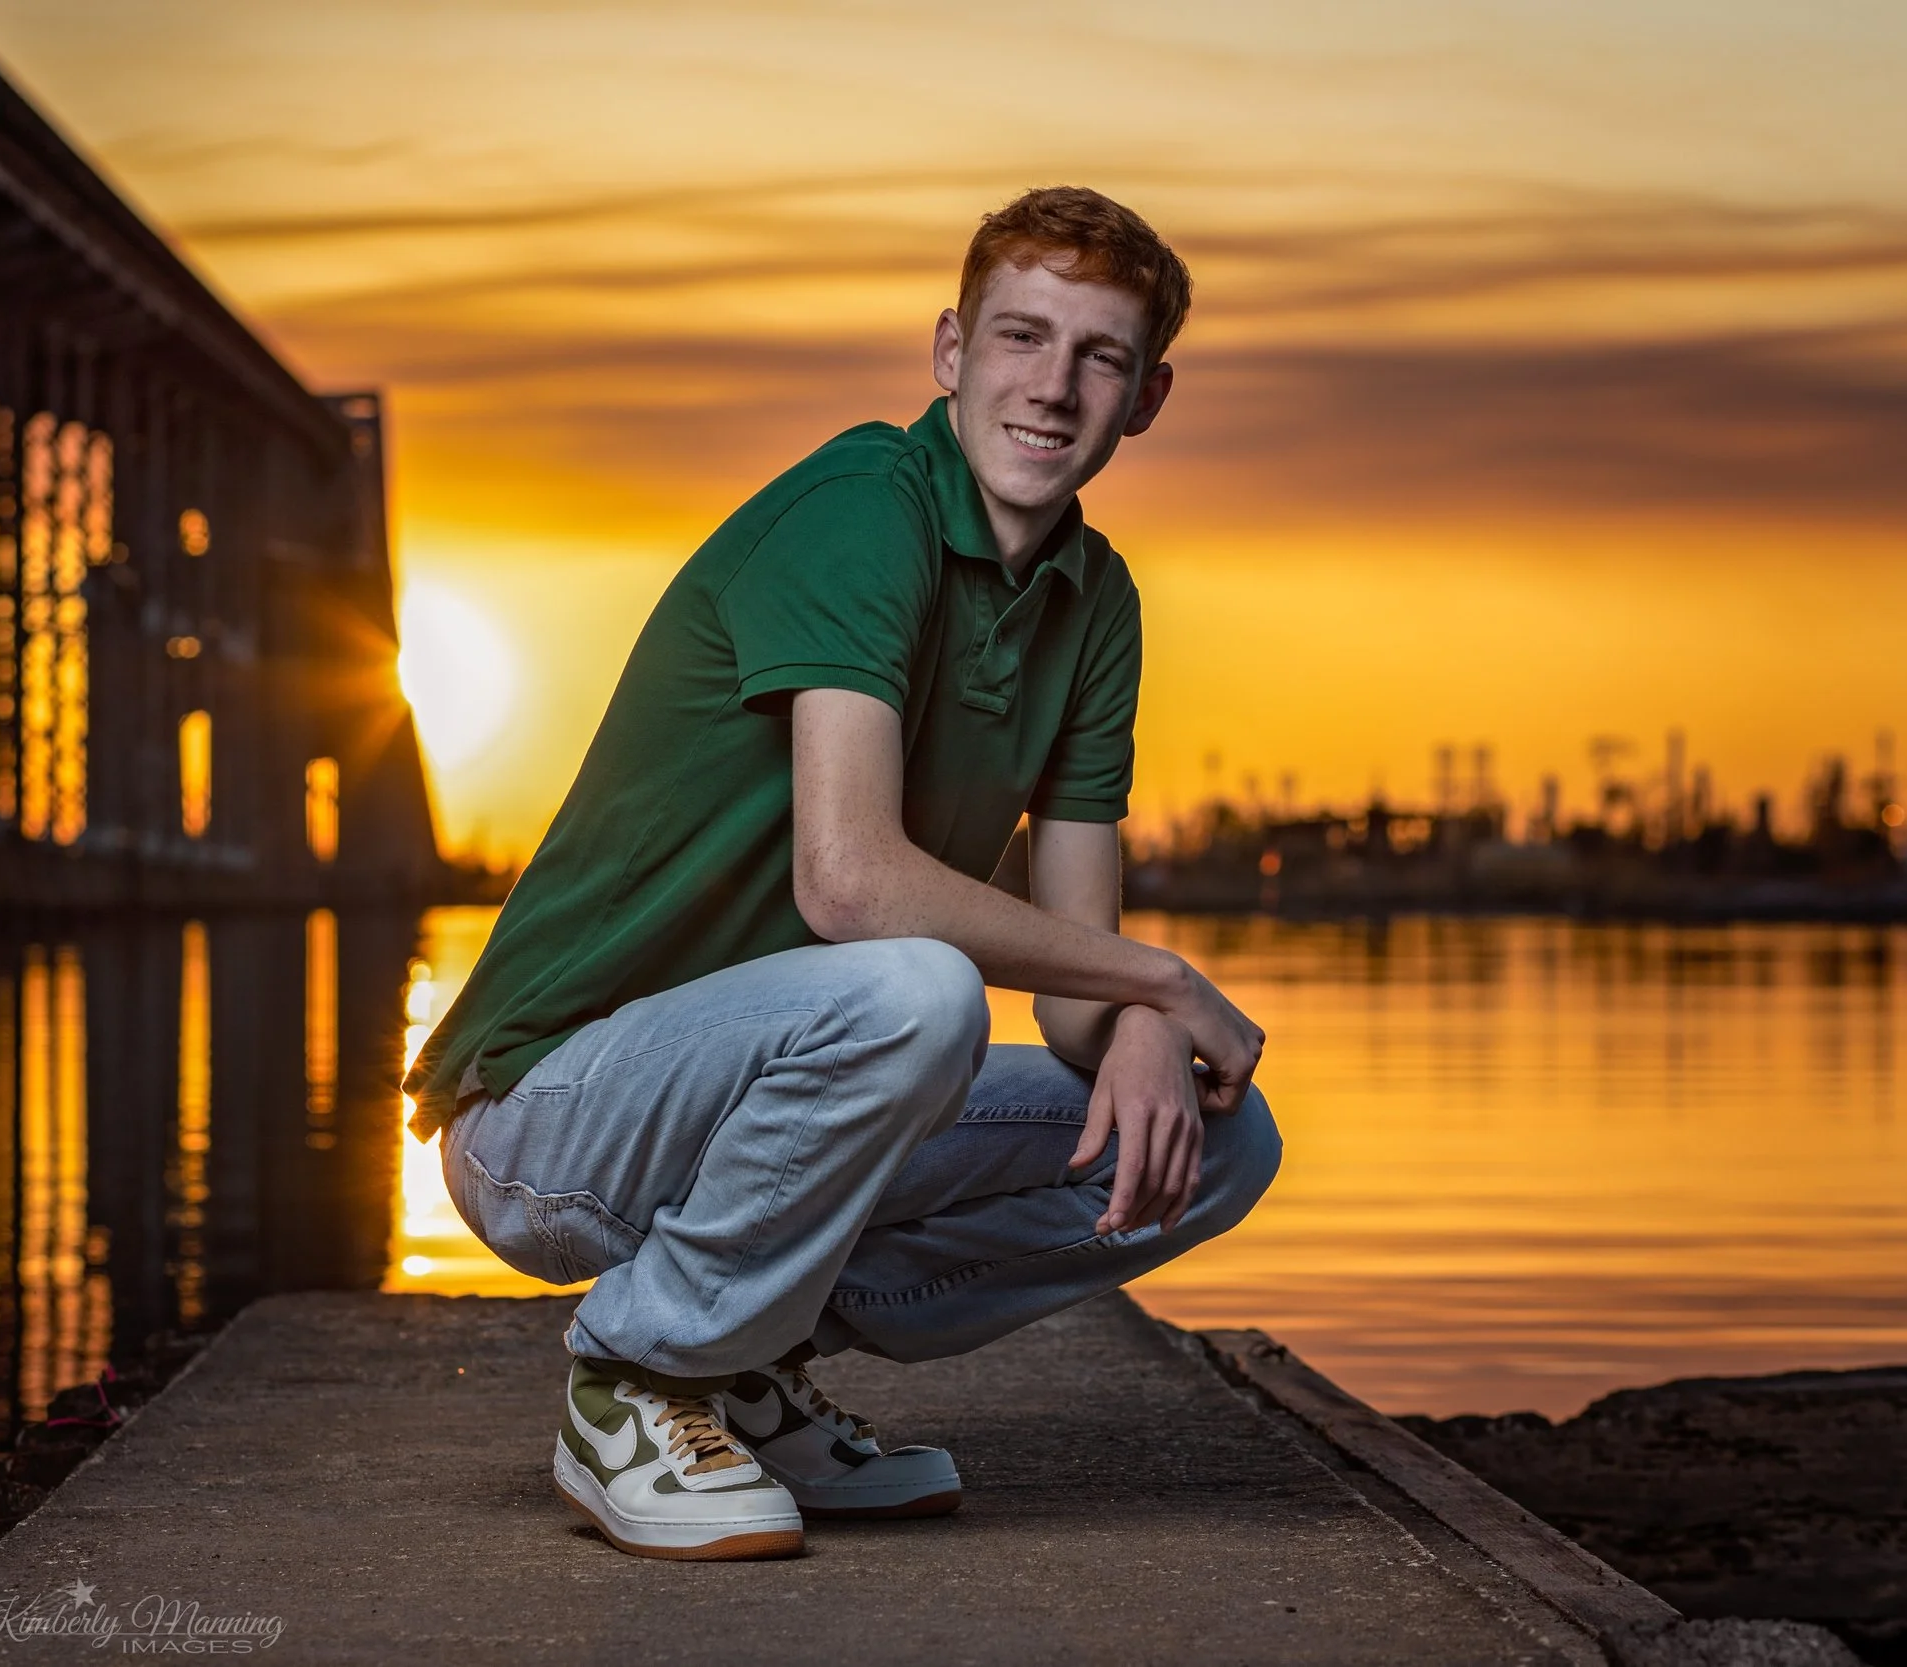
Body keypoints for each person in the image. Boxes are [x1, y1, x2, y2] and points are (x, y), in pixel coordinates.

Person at [404, 186, 1281, 1562]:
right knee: (917, 991)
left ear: (1147, 397)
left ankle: (743, 1357)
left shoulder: (1094, 602)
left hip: (775, 1085)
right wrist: (1164, 978)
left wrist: (1146, 1026)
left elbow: (1074, 989)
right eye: (1020, 337)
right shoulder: (862, 509)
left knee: (1218, 1142)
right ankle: (636, 1375)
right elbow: (852, 885)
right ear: (951, 351)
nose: (1053, 387)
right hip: (549, 1114)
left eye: (1100, 356)